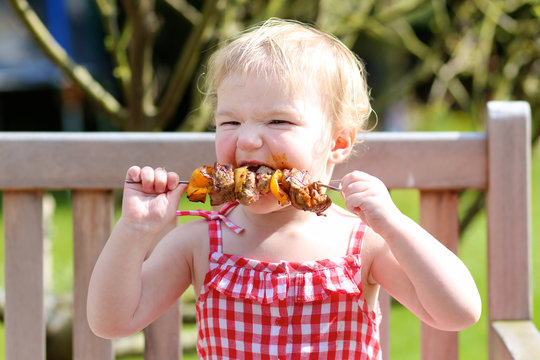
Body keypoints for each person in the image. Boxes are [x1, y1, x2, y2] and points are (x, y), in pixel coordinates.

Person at [87, 18, 481, 359]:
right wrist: (133, 232)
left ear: (339, 143)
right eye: (229, 123)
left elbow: (458, 313)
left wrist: (394, 224)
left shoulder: (363, 245)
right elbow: (112, 322)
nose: (249, 140)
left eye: (278, 122)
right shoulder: (200, 243)